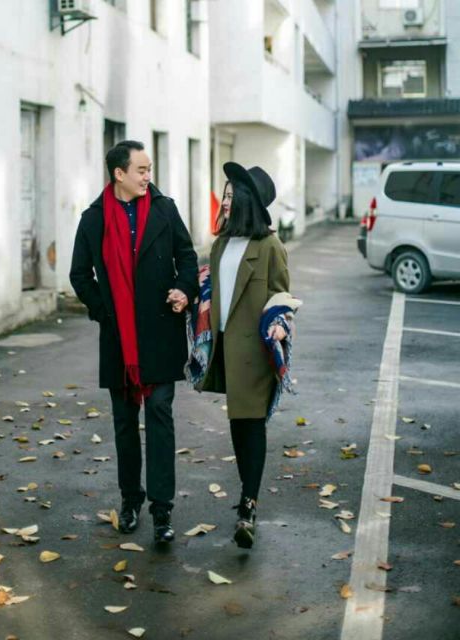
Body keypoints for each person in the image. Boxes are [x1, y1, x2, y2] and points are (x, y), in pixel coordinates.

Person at [70, 140, 199, 543]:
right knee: (125, 423)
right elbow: (79, 275)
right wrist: (105, 311)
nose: (147, 176)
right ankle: (130, 500)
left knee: (159, 414)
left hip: (161, 331)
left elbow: (187, 256)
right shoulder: (93, 219)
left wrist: (184, 290)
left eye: (149, 169)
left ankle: (162, 510)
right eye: (141, 170)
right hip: (119, 338)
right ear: (119, 174)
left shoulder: (165, 209)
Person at [200, 162, 292, 549]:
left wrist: (280, 324)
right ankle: (246, 495)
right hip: (224, 348)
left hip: (254, 349)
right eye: (224, 193)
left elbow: (282, 296)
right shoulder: (221, 244)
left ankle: (248, 507)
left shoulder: (270, 246)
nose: (224, 200)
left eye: (231, 194)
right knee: (238, 424)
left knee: (251, 425)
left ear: (247, 201)